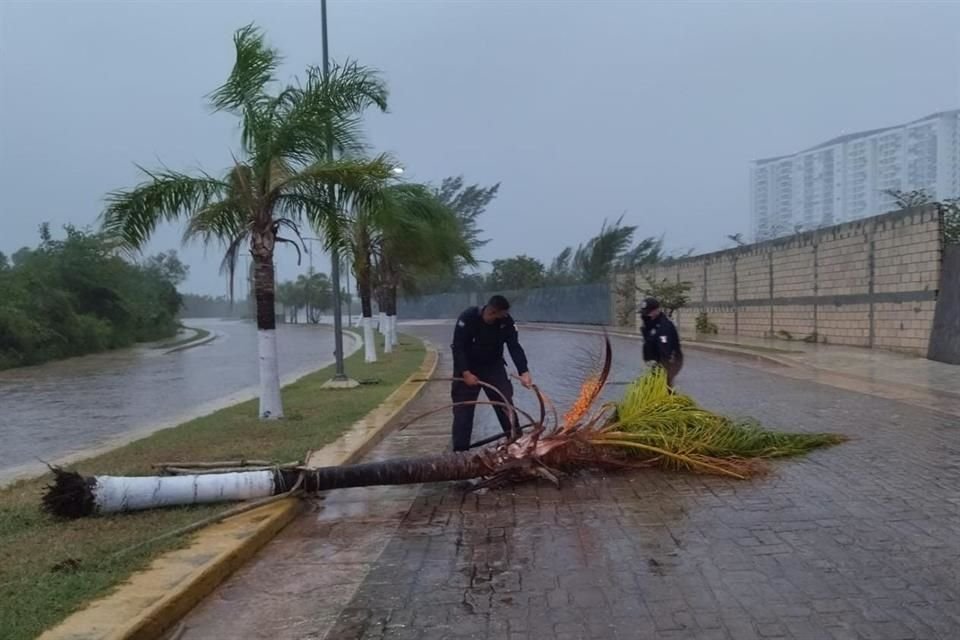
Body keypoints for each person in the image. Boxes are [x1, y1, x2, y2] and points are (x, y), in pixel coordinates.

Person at [450, 295, 533, 452]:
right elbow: (458, 347)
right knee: (463, 410)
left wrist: (524, 371)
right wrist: (466, 373)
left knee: (505, 404)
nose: (505, 317)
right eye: (502, 314)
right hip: (468, 367)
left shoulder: (506, 322)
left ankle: (516, 443)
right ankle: (460, 453)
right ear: (492, 312)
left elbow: (514, 346)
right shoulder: (467, 318)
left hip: (493, 366)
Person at [639, 297, 683, 386]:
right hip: (654, 362)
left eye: (649, 312)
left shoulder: (664, 326)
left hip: (668, 362)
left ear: (657, 310)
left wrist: (662, 368)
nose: (647, 315)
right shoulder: (650, 323)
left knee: (663, 387)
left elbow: (666, 350)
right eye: (646, 313)